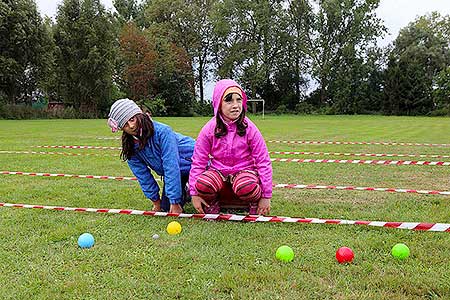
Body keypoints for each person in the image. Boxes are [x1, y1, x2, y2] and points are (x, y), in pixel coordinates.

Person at [189, 79, 272, 215]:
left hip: (245, 173)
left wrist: (266, 196)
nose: (235, 105)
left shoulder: (250, 128)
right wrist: (194, 193)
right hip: (218, 173)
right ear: (218, 104)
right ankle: (212, 203)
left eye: (239, 100)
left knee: (246, 186)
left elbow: (263, 161)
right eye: (229, 100)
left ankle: (252, 203)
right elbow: (198, 162)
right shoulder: (208, 129)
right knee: (203, 183)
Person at [107, 98, 195, 213]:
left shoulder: (163, 132)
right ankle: (185, 191)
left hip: (195, 165)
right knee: (165, 208)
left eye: (132, 119)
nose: (131, 126)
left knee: (205, 189)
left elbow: (171, 166)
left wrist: (174, 202)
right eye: (125, 125)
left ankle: (194, 190)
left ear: (138, 115)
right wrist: (156, 202)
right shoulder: (130, 146)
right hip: (178, 174)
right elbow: (143, 176)